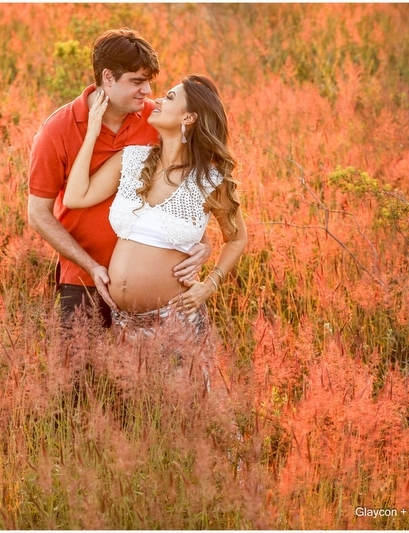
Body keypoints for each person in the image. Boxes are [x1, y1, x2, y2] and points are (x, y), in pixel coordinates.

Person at [27, 29, 212, 328]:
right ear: (108, 78)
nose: (147, 91)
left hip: (157, 288)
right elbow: (38, 214)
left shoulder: (158, 120)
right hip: (84, 281)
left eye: (149, 82)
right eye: (136, 82)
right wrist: (90, 266)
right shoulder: (57, 130)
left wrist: (203, 243)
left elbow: (186, 187)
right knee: (80, 360)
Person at [62, 74, 247, 337]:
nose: (157, 99)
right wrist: (92, 133)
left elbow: (237, 238)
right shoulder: (131, 159)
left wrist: (210, 284)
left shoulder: (209, 181)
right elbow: (75, 197)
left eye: (169, 97)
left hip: (175, 322)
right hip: (123, 323)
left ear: (188, 118)